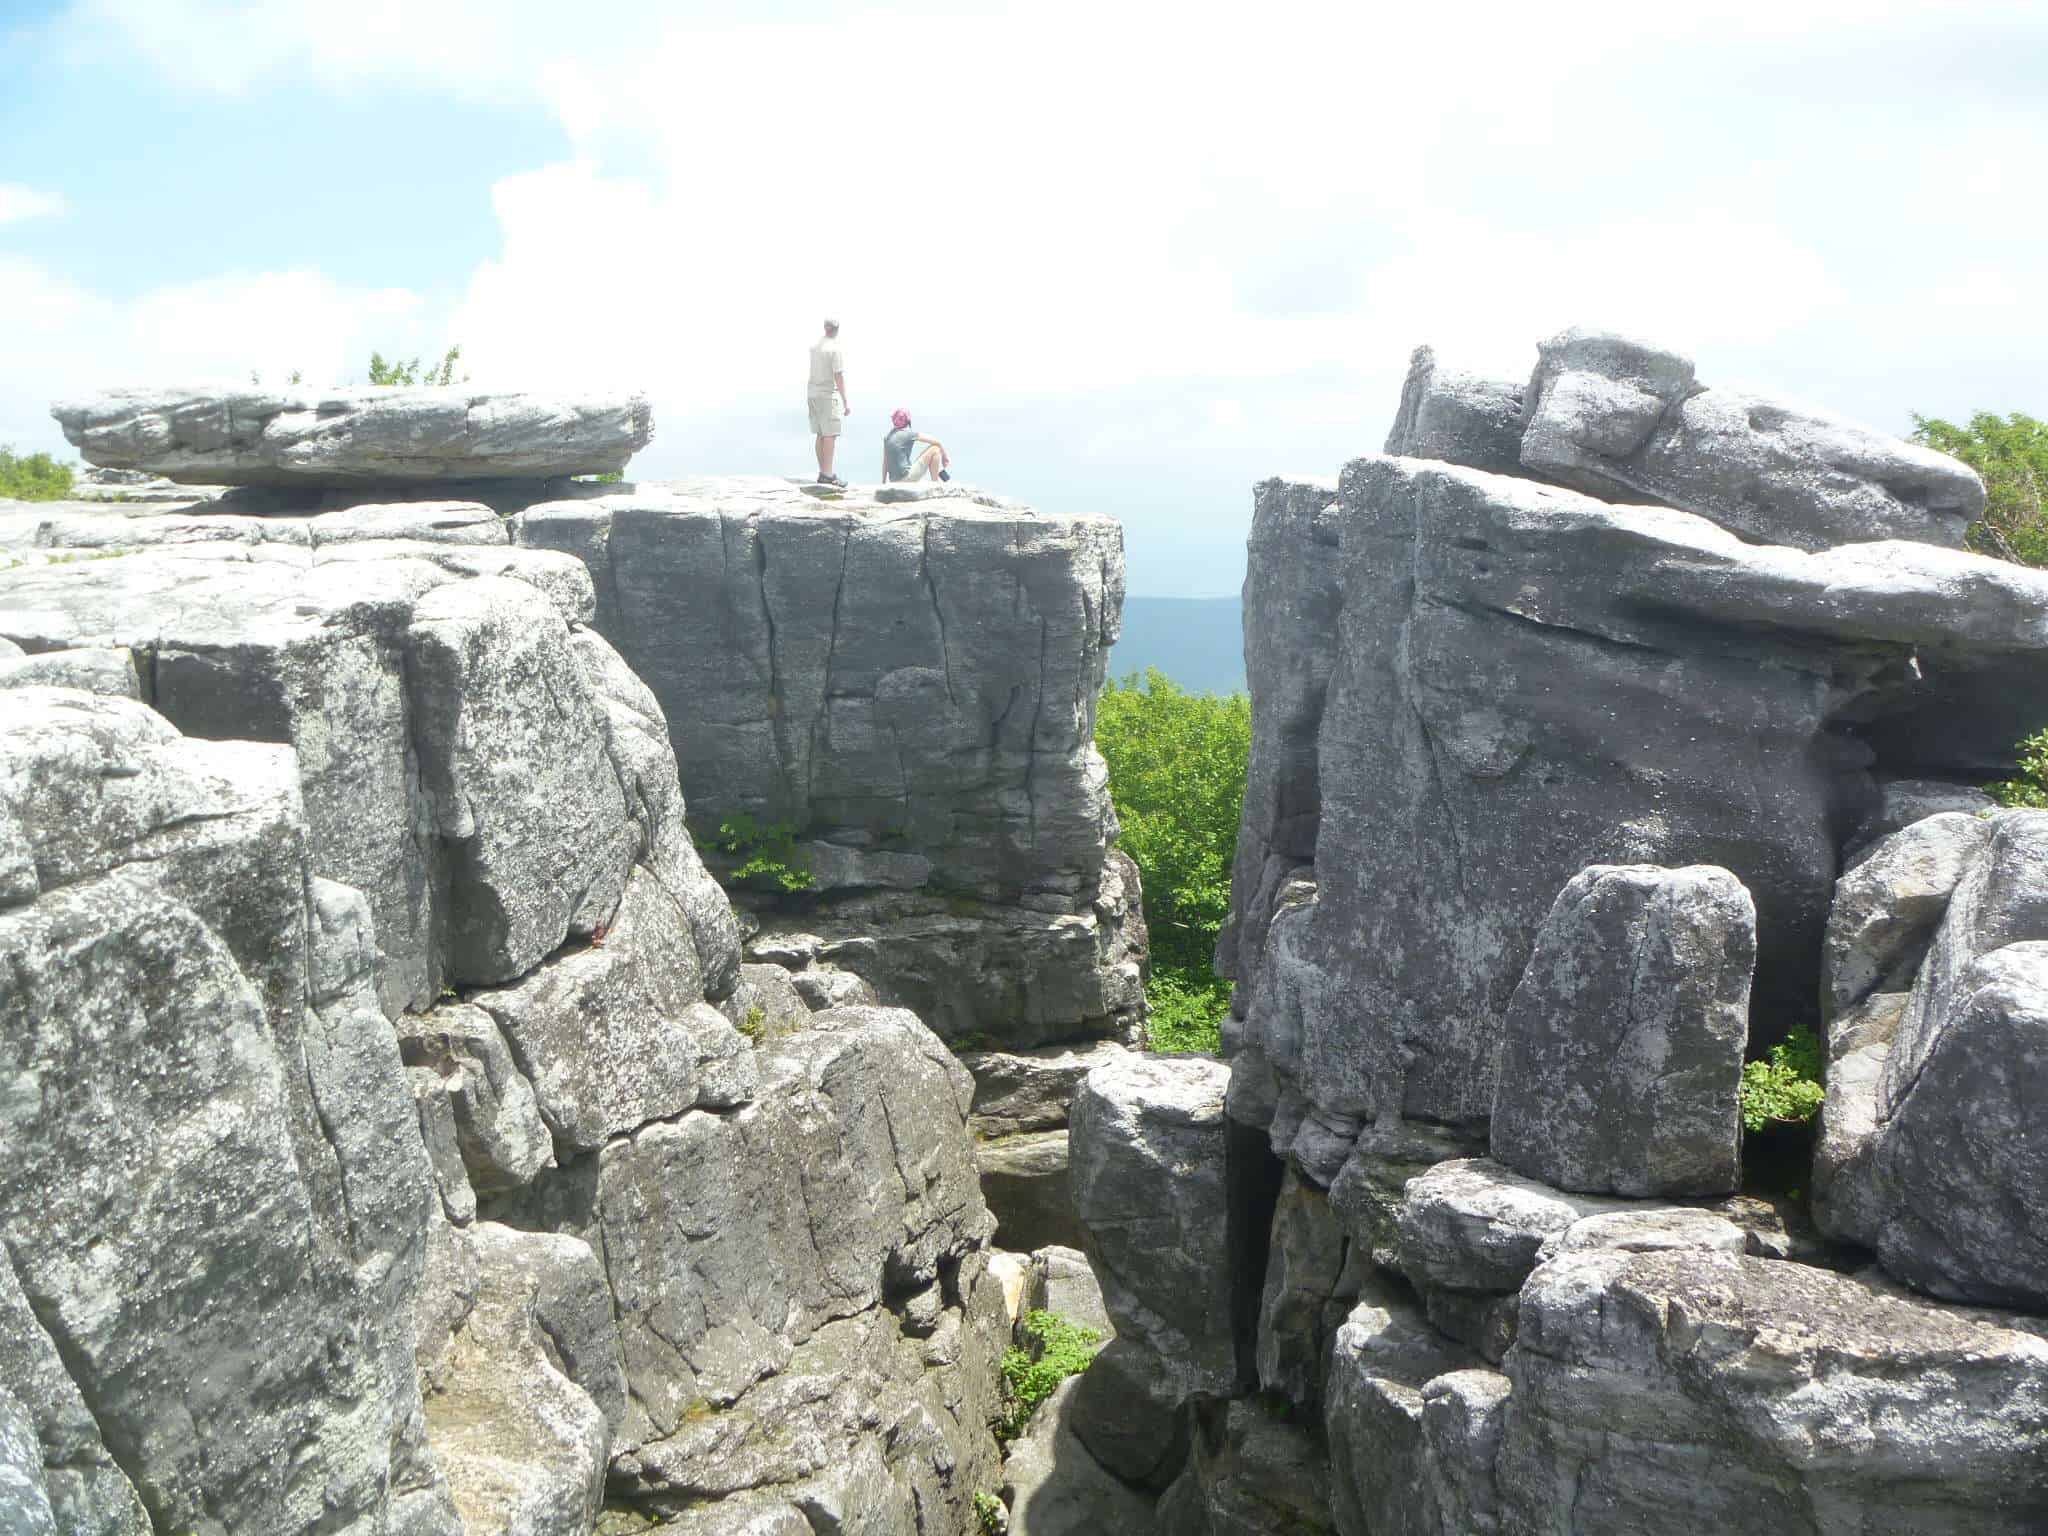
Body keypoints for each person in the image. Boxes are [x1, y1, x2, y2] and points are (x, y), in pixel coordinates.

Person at [808, 319, 850, 485]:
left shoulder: (815, 347)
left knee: (820, 434)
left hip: (812, 393)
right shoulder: (834, 349)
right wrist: (845, 401)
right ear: (837, 329)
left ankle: (823, 471)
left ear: (825, 328)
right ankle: (828, 474)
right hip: (827, 394)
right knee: (830, 435)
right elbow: (838, 376)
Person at [881, 408, 950, 484]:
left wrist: (883, 482)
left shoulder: (887, 438)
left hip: (893, 480)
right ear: (907, 421)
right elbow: (936, 442)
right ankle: (936, 484)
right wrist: (944, 456)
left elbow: (885, 462)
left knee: (926, 455)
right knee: (935, 449)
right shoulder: (908, 434)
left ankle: (944, 478)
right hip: (906, 478)